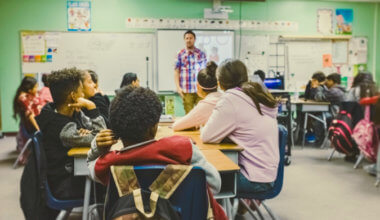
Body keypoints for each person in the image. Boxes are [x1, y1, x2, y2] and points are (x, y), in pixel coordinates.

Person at [87, 86, 227, 219]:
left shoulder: (109, 163)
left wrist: (97, 147)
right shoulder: (183, 149)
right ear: (155, 126)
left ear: (115, 130)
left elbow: (91, 166)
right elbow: (215, 185)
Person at [200, 60, 279, 212]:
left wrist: (205, 126)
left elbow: (207, 136)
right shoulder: (256, 94)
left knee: (198, 178)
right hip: (268, 174)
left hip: (253, 179)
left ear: (220, 82)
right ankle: (238, 209)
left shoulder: (231, 98)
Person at [35, 67, 106, 201]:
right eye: (81, 92)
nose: (84, 96)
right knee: (109, 181)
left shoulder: (68, 113)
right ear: (74, 96)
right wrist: (91, 106)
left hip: (69, 175)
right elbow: (103, 137)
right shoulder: (63, 128)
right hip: (64, 184)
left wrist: (87, 133)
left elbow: (94, 131)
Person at [172, 61, 222, 131]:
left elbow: (176, 126)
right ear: (217, 85)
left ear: (198, 86)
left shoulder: (205, 104)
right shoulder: (225, 98)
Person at [174, 30, 207, 114]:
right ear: (184, 40)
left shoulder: (201, 54)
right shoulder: (180, 54)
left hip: (200, 89)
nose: (189, 40)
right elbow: (176, 71)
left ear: (194, 39)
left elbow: (205, 71)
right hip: (186, 90)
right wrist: (178, 87)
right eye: (187, 38)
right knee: (189, 115)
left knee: (201, 113)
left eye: (191, 38)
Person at [13, 76, 43, 152]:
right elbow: (30, 116)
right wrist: (38, 129)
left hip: (36, 122)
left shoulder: (29, 95)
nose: (37, 89)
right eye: (36, 87)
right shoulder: (23, 98)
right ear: (29, 89)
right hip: (32, 126)